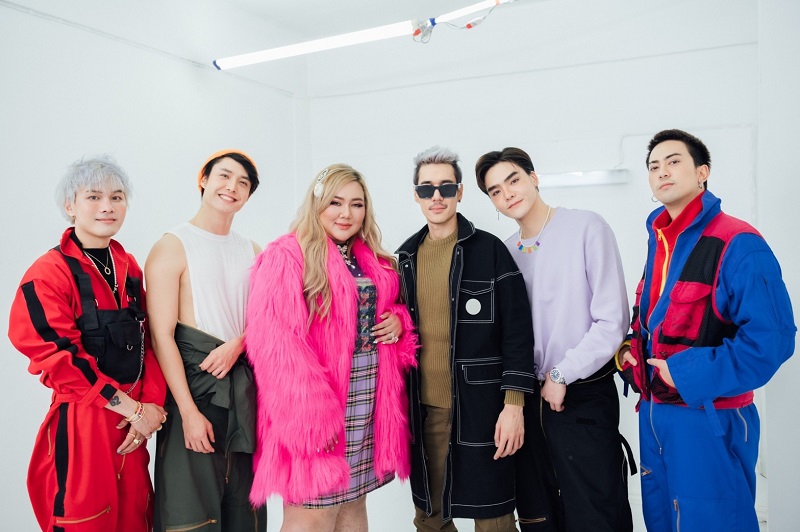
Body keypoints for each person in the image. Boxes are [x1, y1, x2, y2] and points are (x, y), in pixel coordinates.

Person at [618, 129, 795, 531]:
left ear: (703, 172)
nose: (662, 172)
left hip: (710, 418)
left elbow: (772, 340)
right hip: (655, 415)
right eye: (654, 166)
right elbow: (651, 317)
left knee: (714, 522)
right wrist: (630, 348)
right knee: (663, 518)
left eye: (673, 161)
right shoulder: (659, 242)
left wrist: (683, 372)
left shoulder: (737, 241)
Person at [246, 164, 417, 531]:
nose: (346, 213)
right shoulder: (286, 255)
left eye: (356, 204)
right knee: (313, 513)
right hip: (315, 407)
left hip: (366, 397)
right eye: (336, 202)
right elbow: (277, 346)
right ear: (317, 203)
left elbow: (384, 308)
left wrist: (398, 319)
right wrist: (313, 419)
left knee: (353, 503)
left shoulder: (370, 257)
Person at [475, 147, 633, 532]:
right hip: (529, 401)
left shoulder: (586, 227)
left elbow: (612, 320)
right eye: (495, 191)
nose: (508, 194)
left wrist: (562, 374)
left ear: (534, 177)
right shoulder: (506, 252)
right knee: (539, 515)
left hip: (582, 394)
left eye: (513, 180)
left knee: (595, 512)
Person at [8, 156, 167, 531]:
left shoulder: (129, 267)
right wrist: (132, 409)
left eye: (117, 197)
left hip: (133, 427)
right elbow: (58, 357)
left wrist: (151, 407)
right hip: (83, 422)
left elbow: (151, 342)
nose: (107, 206)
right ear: (70, 205)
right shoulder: (47, 273)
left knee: (135, 518)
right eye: (94, 197)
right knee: (83, 518)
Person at [397, 146, 538, 532]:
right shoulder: (404, 258)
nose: (436, 196)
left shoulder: (491, 251)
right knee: (429, 519)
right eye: (426, 189)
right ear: (415, 196)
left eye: (446, 187)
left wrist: (514, 406)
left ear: (459, 192)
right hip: (425, 412)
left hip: (485, 411)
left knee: (494, 520)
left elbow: (517, 333)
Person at [146, 150, 266, 531]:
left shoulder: (253, 250)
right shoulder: (172, 245)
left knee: (245, 510)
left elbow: (270, 320)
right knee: (191, 513)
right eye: (224, 176)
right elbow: (161, 336)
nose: (232, 187)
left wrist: (238, 344)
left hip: (244, 394)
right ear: (204, 180)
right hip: (194, 392)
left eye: (243, 183)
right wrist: (187, 412)